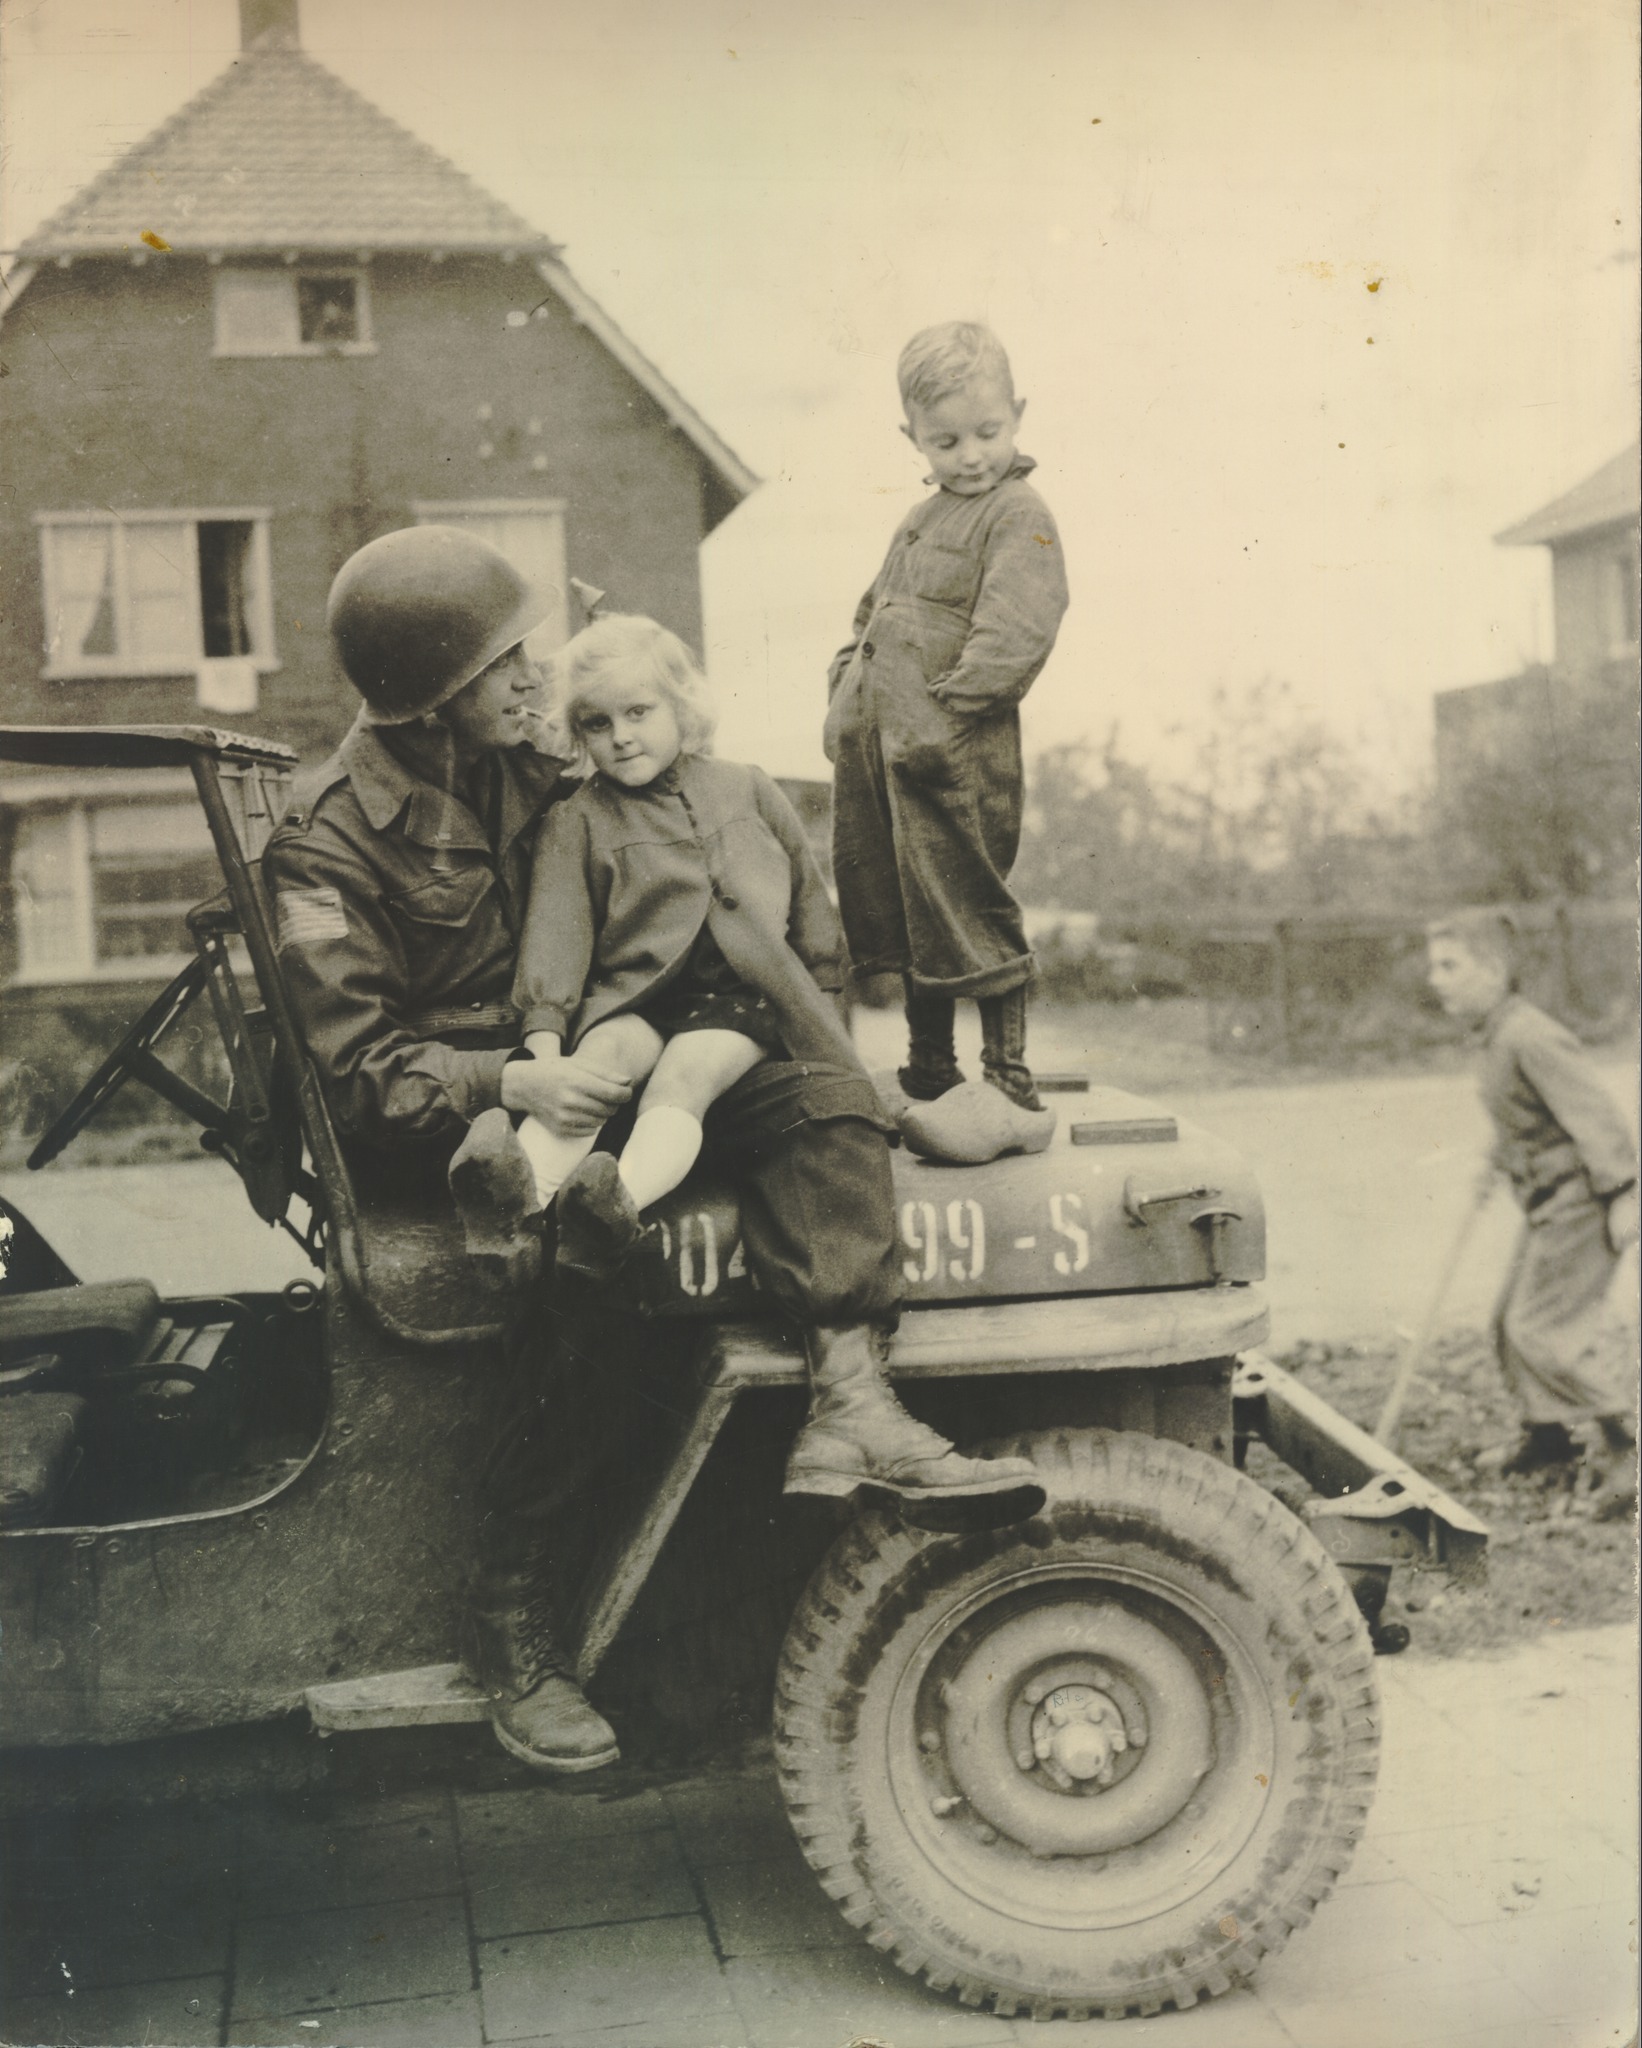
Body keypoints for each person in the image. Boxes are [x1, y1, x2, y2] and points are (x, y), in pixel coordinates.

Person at [460, 611, 1045, 1508]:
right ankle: (526, 1212)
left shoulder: (748, 788)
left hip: (746, 1005)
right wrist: (546, 1052)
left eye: (638, 714)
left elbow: (813, 918)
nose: (620, 739)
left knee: (694, 1076)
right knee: (607, 1058)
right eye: (596, 725)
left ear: (683, 705)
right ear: (576, 735)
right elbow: (557, 940)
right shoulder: (578, 819)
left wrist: (822, 1025)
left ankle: (615, 1206)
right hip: (631, 998)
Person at [264, 525, 635, 1775]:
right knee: (584, 1257)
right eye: (505, 667)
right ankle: (509, 1615)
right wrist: (514, 1079)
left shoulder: (516, 767)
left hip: (553, 1080)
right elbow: (367, 1079)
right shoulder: (324, 837)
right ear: (432, 693)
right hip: (433, 1136)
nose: (533, 681)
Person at [824, 321, 1070, 1166]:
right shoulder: (921, 519)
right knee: (905, 909)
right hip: (881, 759)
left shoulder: (1019, 512)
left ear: (1018, 414)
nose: (969, 456)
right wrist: (844, 696)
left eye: (988, 433)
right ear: (913, 440)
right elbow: (872, 614)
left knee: (966, 904)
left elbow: (1016, 631)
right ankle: (931, 1072)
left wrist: (941, 717)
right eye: (946, 440)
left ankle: (1007, 1086)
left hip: (954, 758)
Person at [1427, 911, 1637, 1509]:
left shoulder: (1530, 1035)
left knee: (1541, 1332)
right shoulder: (1494, 1035)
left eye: (1450, 965)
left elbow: (1595, 1116)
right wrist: (1497, 1159)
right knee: (1505, 1325)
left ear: (1493, 970)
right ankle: (1548, 1438)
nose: (1435, 978)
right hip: (1547, 1201)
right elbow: (1530, 1116)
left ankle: (1626, 1450)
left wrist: (1624, 1195)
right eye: (1433, 964)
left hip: (1584, 1203)